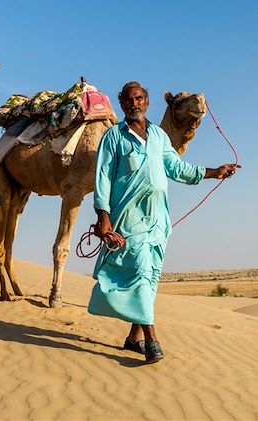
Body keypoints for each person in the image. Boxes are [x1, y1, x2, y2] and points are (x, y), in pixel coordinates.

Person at [88, 81, 237, 364]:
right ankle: (152, 341)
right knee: (142, 271)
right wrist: (102, 216)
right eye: (129, 99)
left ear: (147, 102)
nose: (135, 103)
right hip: (128, 218)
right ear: (122, 104)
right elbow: (103, 178)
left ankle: (134, 338)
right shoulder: (113, 138)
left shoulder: (158, 136)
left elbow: (177, 168)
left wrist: (214, 172)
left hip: (158, 220)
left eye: (140, 98)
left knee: (150, 276)